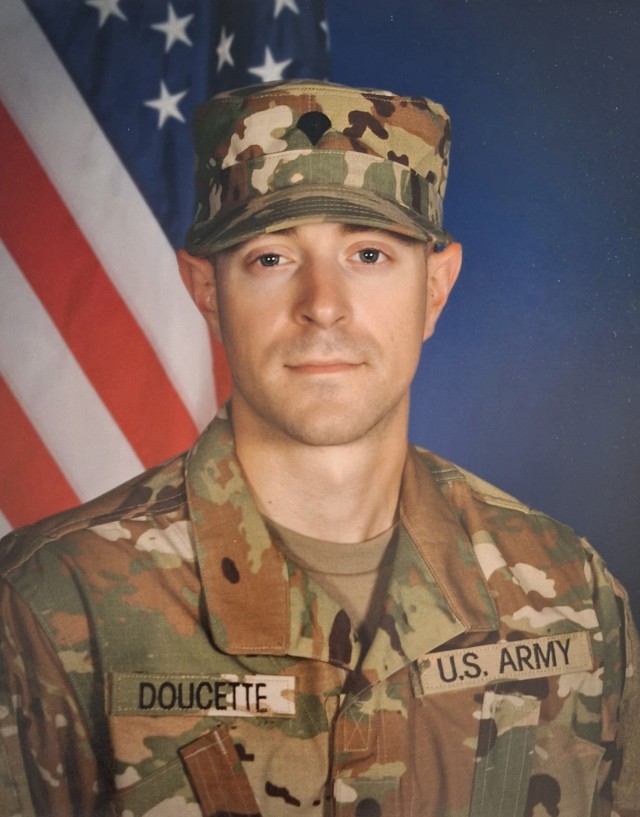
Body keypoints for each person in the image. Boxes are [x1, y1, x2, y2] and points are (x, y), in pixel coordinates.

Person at [0, 79, 638, 817]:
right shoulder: (47, 609)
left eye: (368, 253)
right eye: (272, 258)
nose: (324, 305)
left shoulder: (570, 593)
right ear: (205, 291)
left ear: (436, 288)